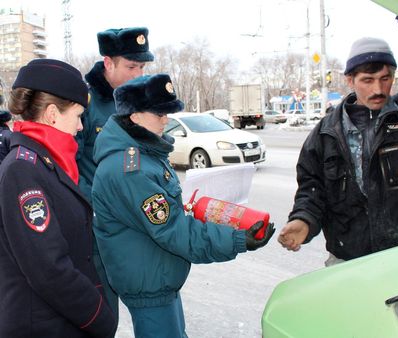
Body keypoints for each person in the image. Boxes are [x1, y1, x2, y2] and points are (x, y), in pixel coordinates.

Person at [91, 73, 275, 338]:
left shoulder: (145, 152)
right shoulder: (131, 169)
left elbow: (165, 214)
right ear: (134, 116)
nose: (166, 120)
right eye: (159, 113)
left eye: (167, 112)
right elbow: (172, 230)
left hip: (156, 276)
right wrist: (236, 240)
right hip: (149, 285)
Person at [278, 17, 398, 265]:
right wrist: (303, 220)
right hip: (349, 264)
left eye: (385, 78)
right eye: (367, 81)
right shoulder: (325, 135)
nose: (378, 89)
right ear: (350, 80)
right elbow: (312, 191)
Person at [0, 59, 117, 337]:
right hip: (42, 326)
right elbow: (49, 269)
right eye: (77, 116)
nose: (80, 127)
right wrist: (100, 317)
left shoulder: (46, 162)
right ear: (53, 114)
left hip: (61, 320)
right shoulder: (23, 170)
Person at [76, 26, 154, 320]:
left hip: (135, 219)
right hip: (100, 225)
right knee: (105, 312)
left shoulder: (138, 99)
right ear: (108, 63)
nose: (139, 73)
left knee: (148, 299)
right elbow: (69, 163)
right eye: (131, 66)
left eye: (142, 66)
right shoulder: (84, 102)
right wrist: (96, 206)